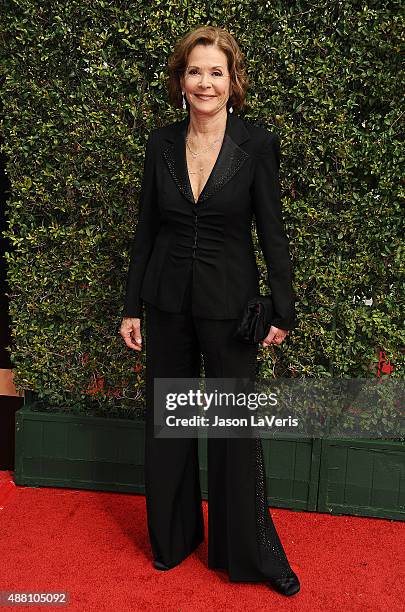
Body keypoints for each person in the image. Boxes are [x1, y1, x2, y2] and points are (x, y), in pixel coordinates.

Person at [119, 26, 300, 597]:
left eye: (215, 72)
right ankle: (174, 540)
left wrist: (282, 309)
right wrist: (131, 307)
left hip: (232, 305)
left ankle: (246, 553)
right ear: (181, 81)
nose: (204, 82)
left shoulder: (257, 144)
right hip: (166, 301)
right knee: (169, 424)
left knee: (233, 430)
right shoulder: (161, 144)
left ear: (232, 81)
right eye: (195, 71)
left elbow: (272, 231)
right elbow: (146, 229)